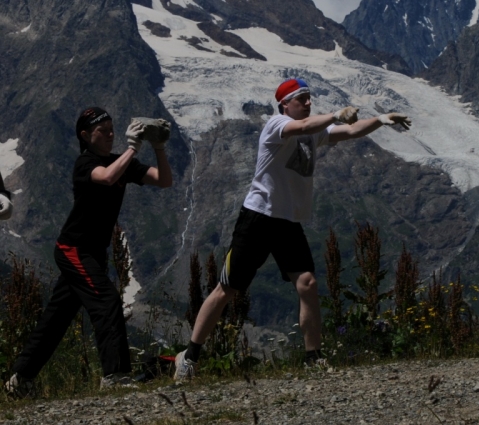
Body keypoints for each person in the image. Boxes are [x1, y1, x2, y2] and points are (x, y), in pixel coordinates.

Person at [173, 78, 412, 379]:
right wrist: (336, 114)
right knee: (228, 289)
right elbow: (304, 126)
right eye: (302, 98)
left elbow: (350, 131)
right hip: (258, 218)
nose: (308, 103)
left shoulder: (313, 132)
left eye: (309, 97)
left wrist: (380, 119)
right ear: (285, 104)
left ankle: (314, 358)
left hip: (287, 221)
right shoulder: (277, 125)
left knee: (307, 283)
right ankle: (190, 356)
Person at [5, 107, 173, 397]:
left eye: (111, 129)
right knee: (106, 302)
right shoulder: (86, 163)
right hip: (74, 249)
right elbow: (106, 177)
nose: (110, 134)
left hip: (93, 253)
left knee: (57, 318)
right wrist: (133, 148)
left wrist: (159, 147)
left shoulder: (121, 162)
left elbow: (163, 180)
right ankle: (115, 376)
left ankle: (19, 380)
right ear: (85, 135)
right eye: (102, 131)